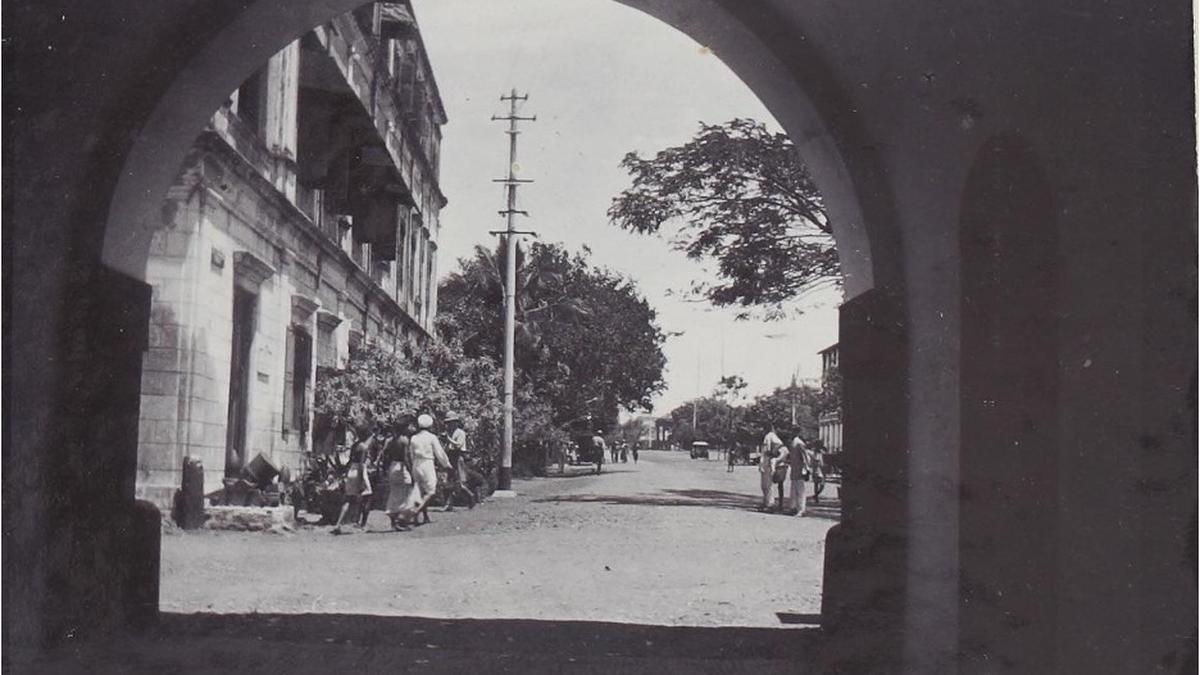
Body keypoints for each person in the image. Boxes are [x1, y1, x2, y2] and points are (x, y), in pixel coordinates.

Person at [397, 414, 452, 526]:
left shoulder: (414, 438)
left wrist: (412, 466)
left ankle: (420, 517)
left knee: (419, 490)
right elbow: (439, 452)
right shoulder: (432, 437)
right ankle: (412, 513)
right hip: (427, 462)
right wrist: (446, 464)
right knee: (431, 491)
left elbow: (411, 454)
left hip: (416, 464)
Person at [333, 423, 375, 534]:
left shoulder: (355, 445)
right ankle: (363, 524)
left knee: (347, 499)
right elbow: (361, 463)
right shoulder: (363, 447)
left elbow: (350, 461)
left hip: (351, 470)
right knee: (368, 497)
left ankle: (338, 524)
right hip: (359, 471)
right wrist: (361, 479)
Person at [383, 417, 416, 530]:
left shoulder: (389, 440)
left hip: (392, 466)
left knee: (394, 493)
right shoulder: (404, 440)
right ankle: (401, 521)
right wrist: (411, 471)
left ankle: (394, 522)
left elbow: (385, 455)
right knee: (406, 493)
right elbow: (406, 458)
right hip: (401, 467)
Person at [441, 412, 476, 511]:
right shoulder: (449, 433)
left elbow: (459, 445)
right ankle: (449, 504)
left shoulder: (460, 433)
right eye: (448, 423)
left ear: (456, 423)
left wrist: (448, 440)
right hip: (450, 456)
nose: (449, 425)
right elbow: (448, 447)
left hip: (458, 456)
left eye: (451, 422)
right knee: (449, 481)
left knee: (458, 481)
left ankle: (470, 495)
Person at [759, 423, 788, 512]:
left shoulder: (769, 436)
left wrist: (774, 457)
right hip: (768, 463)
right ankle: (767, 502)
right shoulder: (773, 437)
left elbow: (769, 450)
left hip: (767, 463)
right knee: (766, 485)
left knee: (767, 485)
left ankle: (769, 504)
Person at [788, 433, 812, 516]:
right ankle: (794, 507)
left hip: (799, 470)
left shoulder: (799, 443)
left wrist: (806, 468)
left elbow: (805, 457)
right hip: (795, 469)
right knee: (794, 490)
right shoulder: (794, 443)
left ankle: (801, 509)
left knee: (800, 490)